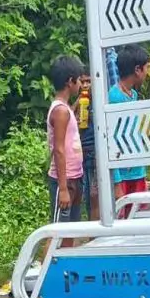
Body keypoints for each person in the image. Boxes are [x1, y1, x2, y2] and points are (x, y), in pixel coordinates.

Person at [47, 55, 84, 242]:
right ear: (70, 81)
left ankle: (66, 260)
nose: (81, 84)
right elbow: (59, 150)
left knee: (70, 231)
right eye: (79, 80)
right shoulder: (60, 111)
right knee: (57, 233)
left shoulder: (65, 108)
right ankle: (48, 260)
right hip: (65, 180)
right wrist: (62, 189)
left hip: (75, 177)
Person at [109, 44, 150, 217]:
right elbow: (111, 140)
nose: (147, 73)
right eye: (146, 68)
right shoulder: (114, 97)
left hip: (137, 171)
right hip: (123, 174)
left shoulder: (133, 94)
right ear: (137, 70)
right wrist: (117, 181)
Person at [74, 68, 99, 220]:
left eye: (88, 81)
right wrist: (79, 100)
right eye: (82, 82)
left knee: (95, 194)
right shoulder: (80, 102)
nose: (85, 85)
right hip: (83, 150)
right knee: (87, 194)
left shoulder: (97, 101)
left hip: (95, 151)